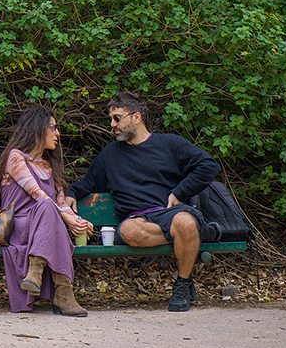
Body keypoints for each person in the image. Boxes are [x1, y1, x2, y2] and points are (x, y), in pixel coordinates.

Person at [61, 91, 221, 312]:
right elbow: (90, 182)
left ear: (136, 117)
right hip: (137, 219)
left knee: (184, 222)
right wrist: (70, 192)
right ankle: (191, 236)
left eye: (117, 118)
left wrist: (179, 192)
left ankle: (182, 284)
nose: (112, 124)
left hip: (169, 213)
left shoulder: (170, 144)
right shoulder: (110, 154)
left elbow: (209, 166)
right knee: (128, 232)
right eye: (110, 119)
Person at [0, 106, 95, 316]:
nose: (58, 133)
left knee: (50, 211)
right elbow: (37, 194)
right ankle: (63, 294)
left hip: (43, 228)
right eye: (53, 128)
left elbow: (61, 202)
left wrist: (77, 220)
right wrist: (65, 216)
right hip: (19, 226)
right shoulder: (15, 157)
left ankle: (36, 272)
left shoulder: (51, 165)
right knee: (46, 206)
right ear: (36, 129)